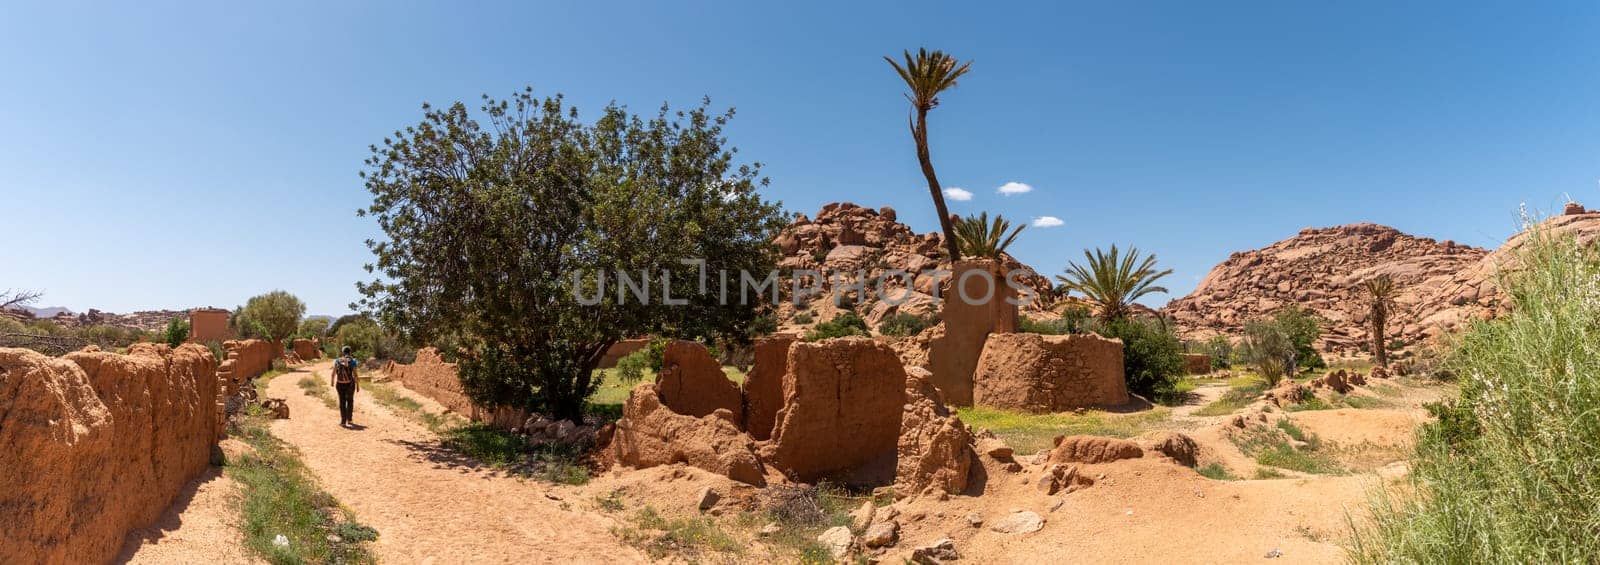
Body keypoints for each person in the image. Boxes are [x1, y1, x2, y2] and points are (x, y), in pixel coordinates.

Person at [331, 346, 360, 427]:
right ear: (350, 352)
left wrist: (332, 382)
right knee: (350, 401)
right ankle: (349, 419)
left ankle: (343, 421)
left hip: (339, 384)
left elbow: (333, 373)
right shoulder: (352, 361)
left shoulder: (337, 360)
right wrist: (357, 385)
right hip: (350, 384)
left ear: (343, 352)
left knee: (342, 402)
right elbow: (355, 375)